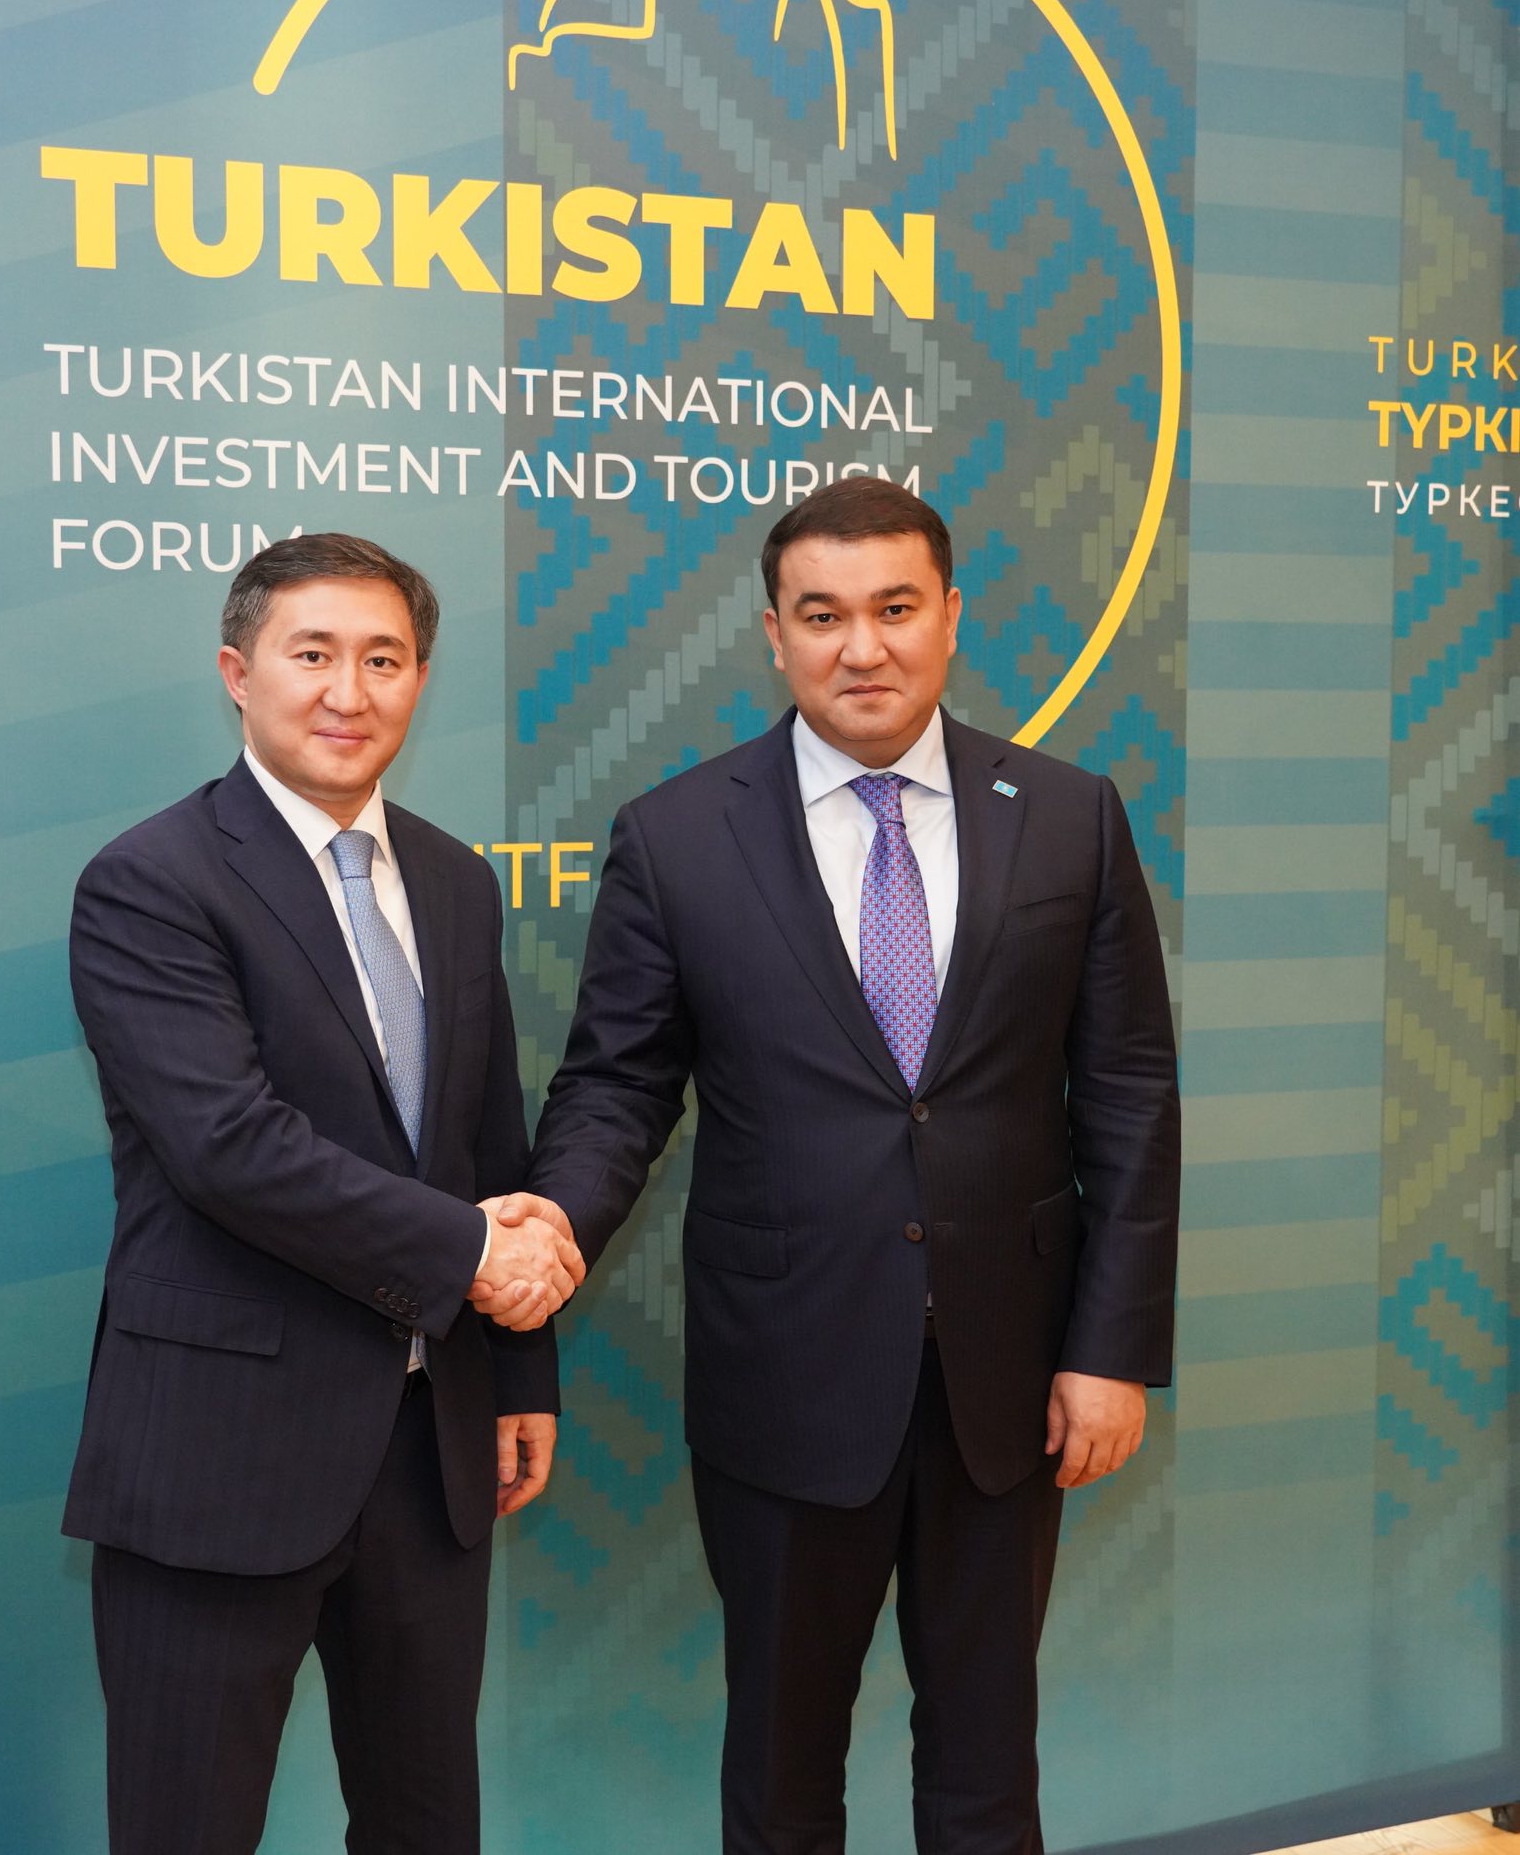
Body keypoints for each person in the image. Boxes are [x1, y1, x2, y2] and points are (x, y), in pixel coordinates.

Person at [523, 478, 1181, 1855]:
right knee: (780, 1768)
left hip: (1009, 1383)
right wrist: (550, 1227)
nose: (862, 648)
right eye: (822, 616)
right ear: (775, 634)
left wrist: (1112, 1348)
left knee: (988, 1767)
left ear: (952, 617)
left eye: (895, 609)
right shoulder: (675, 834)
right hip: (786, 1373)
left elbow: (1126, 1094)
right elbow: (618, 1086)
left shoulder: (1070, 815)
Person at [63, 531, 583, 1855]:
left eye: (384, 659)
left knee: (426, 1826)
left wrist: (519, 1368)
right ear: (238, 674)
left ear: (420, 682)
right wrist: (474, 1257)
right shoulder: (152, 881)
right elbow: (229, 1146)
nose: (350, 691)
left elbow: (487, 1144)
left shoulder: (456, 881)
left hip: (430, 1448)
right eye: (313, 655)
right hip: (220, 1451)